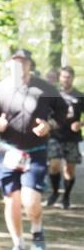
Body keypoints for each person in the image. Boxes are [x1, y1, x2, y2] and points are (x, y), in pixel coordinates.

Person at [0, 49, 65, 250]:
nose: (19, 65)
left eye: (23, 62)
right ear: (9, 65)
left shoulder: (45, 88)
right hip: (8, 152)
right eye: (15, 61)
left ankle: (37, 231)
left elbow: (63, 113)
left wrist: (49, 125)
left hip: (35, 152)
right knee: (12, 199)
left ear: (30, 64)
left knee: (30, 199)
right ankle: (18, 244)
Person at [46, 66, 84, 209]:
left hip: (72, 137)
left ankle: (66, 197)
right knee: (54, 165)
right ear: (59, 78)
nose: (66, 79)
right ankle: (55, 192)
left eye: (68, 77)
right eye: (63, 77)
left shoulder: (79, 96)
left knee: (69, 170)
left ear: (73, 78)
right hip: (55, 135)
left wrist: (80, 124)